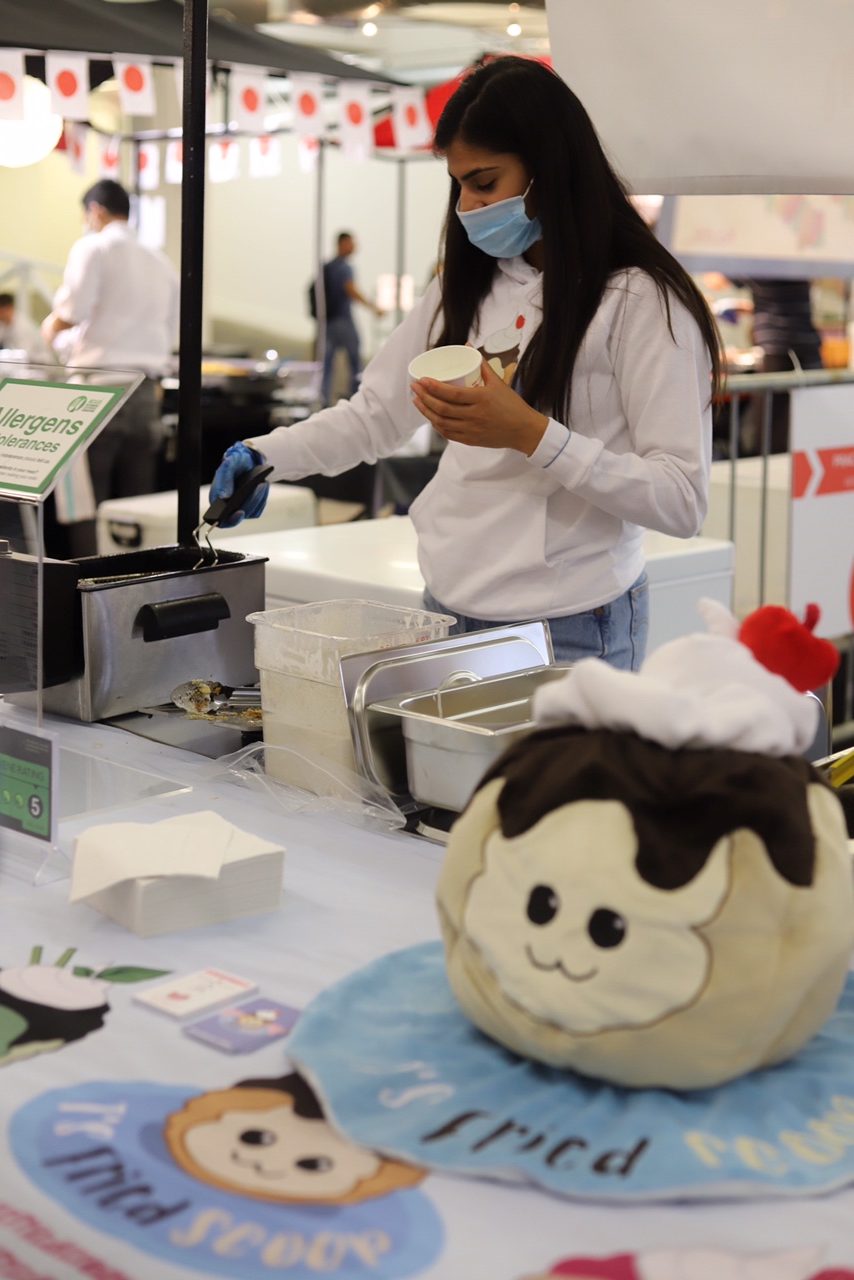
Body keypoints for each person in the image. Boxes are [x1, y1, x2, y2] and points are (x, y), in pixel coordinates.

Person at [211, 58, 722, 670]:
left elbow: (680, 500)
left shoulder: (639, 300)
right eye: (458, 185)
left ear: (550, 170)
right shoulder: (470, 284)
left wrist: (531, 433)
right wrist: (268, 457)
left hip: (570, 630)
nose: (467, 206)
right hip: (447, 614)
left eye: (485, 182)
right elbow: (375, 415)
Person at [41, 179, 179, 554]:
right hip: (146, 390)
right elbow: (173, 328)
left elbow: (73, 311)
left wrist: (48, 328)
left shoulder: (94, 246)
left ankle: (84, 588)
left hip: (98, 388)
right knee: (137, 505)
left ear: (96, 211)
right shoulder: (161, 260)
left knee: (90, 500)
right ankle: (138, 584)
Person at [317, 231, 383, 405]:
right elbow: (351, 290)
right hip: (342, 321)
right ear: (342, 243)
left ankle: (324, 399)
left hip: (328, 322)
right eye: (351, 243)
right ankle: (357, 398)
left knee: (327, 364)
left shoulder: (328, 266)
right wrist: (373, 307)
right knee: (355, 361)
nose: (354, 247)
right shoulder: (344, 268)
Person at [0, 292, 53, 364]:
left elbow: (24, 355)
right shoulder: (3, 323)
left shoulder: (23, 326)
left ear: (8, 308)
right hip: (19, 363)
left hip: (38, 364)